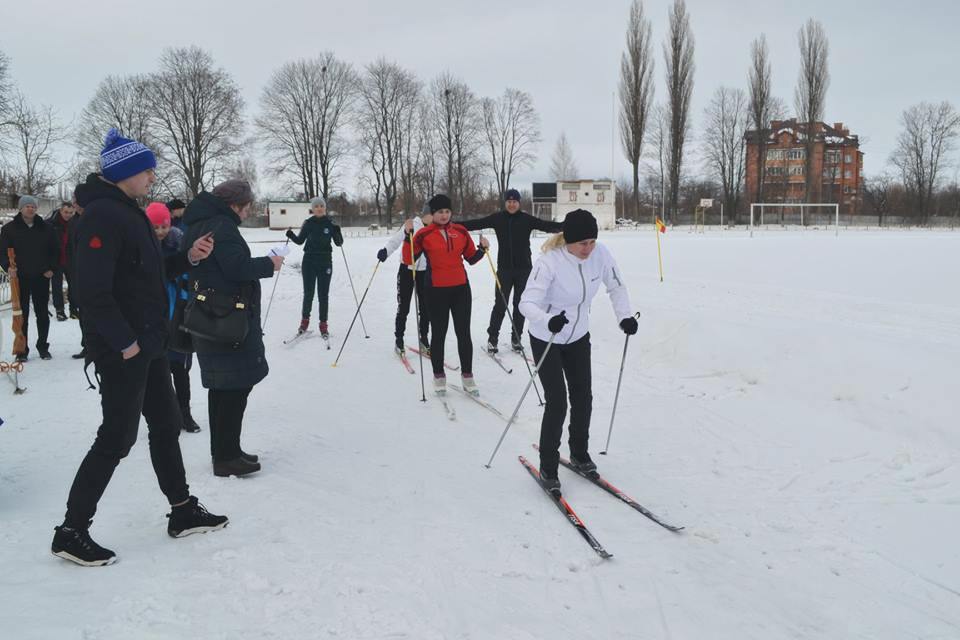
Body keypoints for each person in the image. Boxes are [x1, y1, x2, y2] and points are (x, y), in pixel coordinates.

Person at [53, 129, 227, 567]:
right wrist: (125, 342)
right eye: (147, 169)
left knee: (165, 424)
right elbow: (91, 292)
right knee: (117, 437)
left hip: (148, 343)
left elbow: (143, 276)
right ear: (127, 172)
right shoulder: (100, 217)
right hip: (123, 348)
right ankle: (71, 531)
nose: (153, 176)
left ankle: (182, 509)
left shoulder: (127, 212)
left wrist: (187, 257)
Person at [518, 209, 638, 496]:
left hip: (578, 337)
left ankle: (579, 453)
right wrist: (548, 319)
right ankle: (548, 465)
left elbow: (616, 286)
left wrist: (625, 316)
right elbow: (526, 303)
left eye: (592, 241)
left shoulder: (600, 255)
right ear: (568, 241)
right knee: (557, 401)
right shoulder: (549, 262)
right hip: (547, 337)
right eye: (583, 243)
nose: (589, 248)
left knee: (583, 396)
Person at [182, 179, 283, 477]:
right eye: (247, 205)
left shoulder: (199, 222)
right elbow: (235, 268)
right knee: (234, 387)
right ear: (235, 205)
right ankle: (226, 456)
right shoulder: (221, 226)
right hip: (226, 318)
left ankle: (226, 450)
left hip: (211, 316)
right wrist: (270, 264)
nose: (248, 210)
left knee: (223, 387)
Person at [404, 194, 489, 395]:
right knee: (439, 334)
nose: (444, 215)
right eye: (439, 212)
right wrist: (408, 236)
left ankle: (468, 377)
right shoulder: (423, 235)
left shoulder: (460, 231)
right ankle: (438, 377)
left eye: (447, 211)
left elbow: (471, 258)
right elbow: (409, 259)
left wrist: (483, 249)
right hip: (436, 290)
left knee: (463, 334)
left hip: (460, 289)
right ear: (432, 214)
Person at [461, 188, 562, 354]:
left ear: (519, 203)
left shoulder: (526, 219)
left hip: (524, 270)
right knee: (500, 305)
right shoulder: (498, 218)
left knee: (520, 305)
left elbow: (546, 226)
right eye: (509, 201)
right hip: (504, 270)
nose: (512, 204)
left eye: (515, 201)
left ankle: (516, 339)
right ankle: (492, 339)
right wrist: (452, 224)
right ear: (505, 202)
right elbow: (476, 223)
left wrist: (565, 226)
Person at [146, 202, 201, 433]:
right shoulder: (141, 246)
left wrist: (187, 294)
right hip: (152, 319)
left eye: (164, 226)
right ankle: (161, 415)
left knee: (180, 370)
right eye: (155, 227)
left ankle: (184, 413)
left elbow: (190, 274)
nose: (160, 231)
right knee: (156, 373)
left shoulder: (180, 243)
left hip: (178, 316)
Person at [0, 195, 58, 361]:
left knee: (42, 313)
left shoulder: (46, 228)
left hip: (41, 275)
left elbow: (55, 250)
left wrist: (51, 268)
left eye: (33, 206)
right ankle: (22, 350)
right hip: (20, 277)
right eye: (27, 206)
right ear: (20, 208)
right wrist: (8, 267)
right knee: (21, 314)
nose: (30, 209)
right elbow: (2, 252)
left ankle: (43, 347)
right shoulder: (9, 229)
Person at [377, 202, 432, 355]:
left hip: (424, 272)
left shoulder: (434, 229)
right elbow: (395, 241)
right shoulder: (412, 225)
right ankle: (399, 340)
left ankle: (424, 339)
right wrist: (385, 252)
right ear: (426, 214)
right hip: (407, 271)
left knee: (426, 308)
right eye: (432, 215)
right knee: (404, 307)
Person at [285, 196, 342, 338]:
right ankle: (304, 322)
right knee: (308, 294)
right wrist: (291, 235)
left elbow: (339, 243)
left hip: (325, 262)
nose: (319, 208)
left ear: (325, 208)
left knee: (323, 295)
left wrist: (337, 231)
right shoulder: (308, 223)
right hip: (309, 261)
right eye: (316, 206)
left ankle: (323, 324)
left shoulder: (330, 223)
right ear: (312, 209)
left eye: (321, 206)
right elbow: (300, 241)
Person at [49, 201, 79, 321]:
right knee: (57, 286)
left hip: (71, 259)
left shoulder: (75, 223)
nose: (68, 215)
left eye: (71, 213)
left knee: (74, 286)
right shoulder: (51, 224)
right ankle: (60, 310)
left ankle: (73, 309)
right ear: (61, 211)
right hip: (56, 260)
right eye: (66, 212)